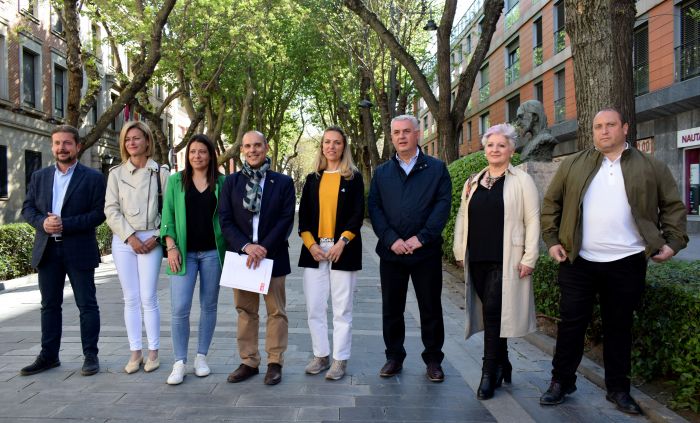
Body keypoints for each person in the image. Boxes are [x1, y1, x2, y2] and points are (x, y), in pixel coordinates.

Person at [539, 108, 688, 414]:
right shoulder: (573, 164)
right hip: (578, 260)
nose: (603, 131)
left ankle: (618, 389)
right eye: (598, 127)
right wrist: (552, 240)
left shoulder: (651, 166)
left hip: (627, 261)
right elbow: (551, 204)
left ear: (625, 128)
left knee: (619, 327)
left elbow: (672, 206)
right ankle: (561, 382)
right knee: (571, 325)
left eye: (610, 125)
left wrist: (673, 243)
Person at [452, 123, 540, 400]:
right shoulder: (473, 181)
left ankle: (489, 373)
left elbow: (533, 219)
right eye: (490, 145)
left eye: (501, 145)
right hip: (477, 257)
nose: (495, 149)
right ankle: (504, 362)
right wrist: (458, 250)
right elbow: (463, 218)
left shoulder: (522, 180)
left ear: (511, 150)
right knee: (493, 315)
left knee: (492, 313)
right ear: (485, 148)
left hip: (507, 259)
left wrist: (530, 257)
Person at [368, 114, 452, 382]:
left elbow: (442, 205)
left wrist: (422, 238)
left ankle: (433, 360)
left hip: (424, 252)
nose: (401, 136)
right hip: (391, 254)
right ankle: (394, 356)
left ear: (418, 134)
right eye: (396, 132)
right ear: (391, 136)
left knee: (430, 307)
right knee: (392, 308)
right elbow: (375, 208)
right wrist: (391, 239)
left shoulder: (436, 169)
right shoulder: (381, 173)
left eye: (406, 131)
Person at [20, 125, 106, 376]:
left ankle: (90, 356)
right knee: (49, 305)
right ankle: (48, 356)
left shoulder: (92, 177)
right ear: (52, 146)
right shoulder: (40, 176)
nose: (62, 148)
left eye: (67, 143)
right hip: (47, 250)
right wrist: (43, 223)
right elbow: (28, 209)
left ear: (78, 146)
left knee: (86, 305)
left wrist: (65, 224)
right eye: (57, 143)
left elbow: (99, 214)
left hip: (78, 249)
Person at [218, 130, 295, 385]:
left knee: (276, 312)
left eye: (257, 146)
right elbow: (225, 220)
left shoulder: (282, 182)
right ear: (242, 150)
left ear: (266, 147)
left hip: (272, 257)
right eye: (247, 146)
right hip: (242, 259)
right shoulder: (231, 183)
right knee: (245, 311)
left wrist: (263, 247)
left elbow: (286, 219)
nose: (252, 150)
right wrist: (246, 247)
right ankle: (249, 361)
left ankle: (275, 362)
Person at [298, 126, 364, 381]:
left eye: (337, 143)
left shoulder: (353, 178)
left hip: (342, 250)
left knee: (341, 309)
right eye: (327, 142)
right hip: (314, 250)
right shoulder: (312, 178)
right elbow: (303, 219)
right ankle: (320, 355)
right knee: (315, 307)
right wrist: (311, 245)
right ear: (322, 146)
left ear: (343, 147)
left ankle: (339, 359)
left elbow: (357, 215)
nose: (331, 147)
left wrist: (342, 242)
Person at [160, 134, 226, 385]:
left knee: (209, 306)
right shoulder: (177, 181)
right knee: (179, 309)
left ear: (210, 155)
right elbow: (167, 215)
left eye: (202, 151)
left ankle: (201, 357)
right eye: (192, 152)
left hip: (212, 254)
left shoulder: (222, 181)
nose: (197, 156)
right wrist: (171, 246)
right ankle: (179, 362)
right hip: (183, 254)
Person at [105, 121, 169, 374]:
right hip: (124, 240)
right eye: (127, 139)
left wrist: (156, 236)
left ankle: (153, 352)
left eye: (136, 138)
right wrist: (130, 237)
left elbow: (170, 210)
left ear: (147, 141)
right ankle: (135, 353)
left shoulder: (161, 172)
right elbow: (110, 210)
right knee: (130, 298)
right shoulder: (115, 174)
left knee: (148, 297)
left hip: (152, 238)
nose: (131, 143)